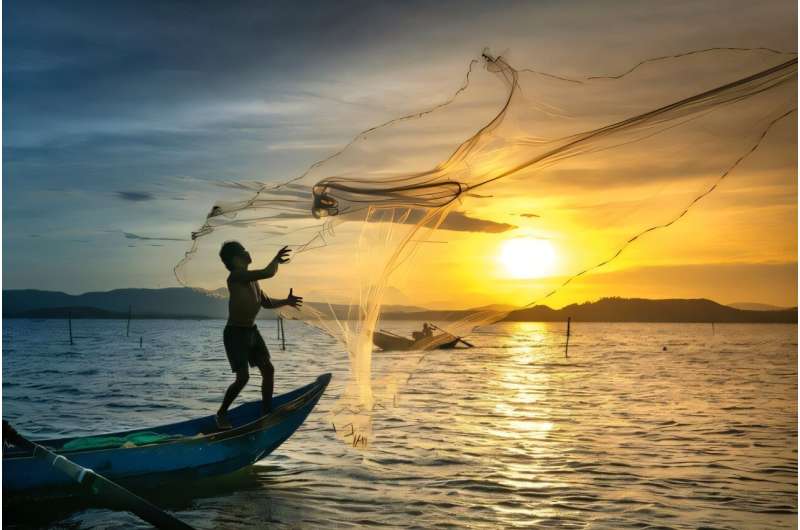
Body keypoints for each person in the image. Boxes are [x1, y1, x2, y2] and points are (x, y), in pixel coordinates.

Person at [215, 241, 303, 430]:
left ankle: (266, 410)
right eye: (244, 250)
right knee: (243, 378)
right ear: (235, 259)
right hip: (235, 334)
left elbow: (266, 302)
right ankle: (221, 413)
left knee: (268, 370)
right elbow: (268, 272)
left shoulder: (253, 279)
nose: (248, 251)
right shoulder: (236, 276)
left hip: (252, 331)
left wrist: (286, 301)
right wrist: (276, 260)